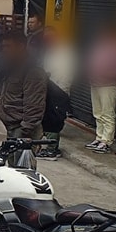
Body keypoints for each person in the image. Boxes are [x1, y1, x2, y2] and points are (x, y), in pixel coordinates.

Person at [86, 24, 116, 154]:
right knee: (97, 112)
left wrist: (110, 74)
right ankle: (99, 137)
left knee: (107, 113)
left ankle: (106, 141)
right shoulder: (99, 46)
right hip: (95, 83)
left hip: (109, 85)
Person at [0, 30, 47, 142]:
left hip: (23, 132)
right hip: (12, 129)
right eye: (3, 47)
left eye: (8, 46)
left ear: (20, 46)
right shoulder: (11, 67)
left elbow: (34, 107)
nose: (4, 50)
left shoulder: (33, 72)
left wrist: (24, 131)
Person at [37, 26, 75, 160]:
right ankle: (49, 145)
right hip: (49, 86)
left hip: (59, 88)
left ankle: (52, 149)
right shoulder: (50, 51)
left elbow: (65, 73)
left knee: (54, 118)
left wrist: (60, 89)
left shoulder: (64, 51)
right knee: (47, 117)